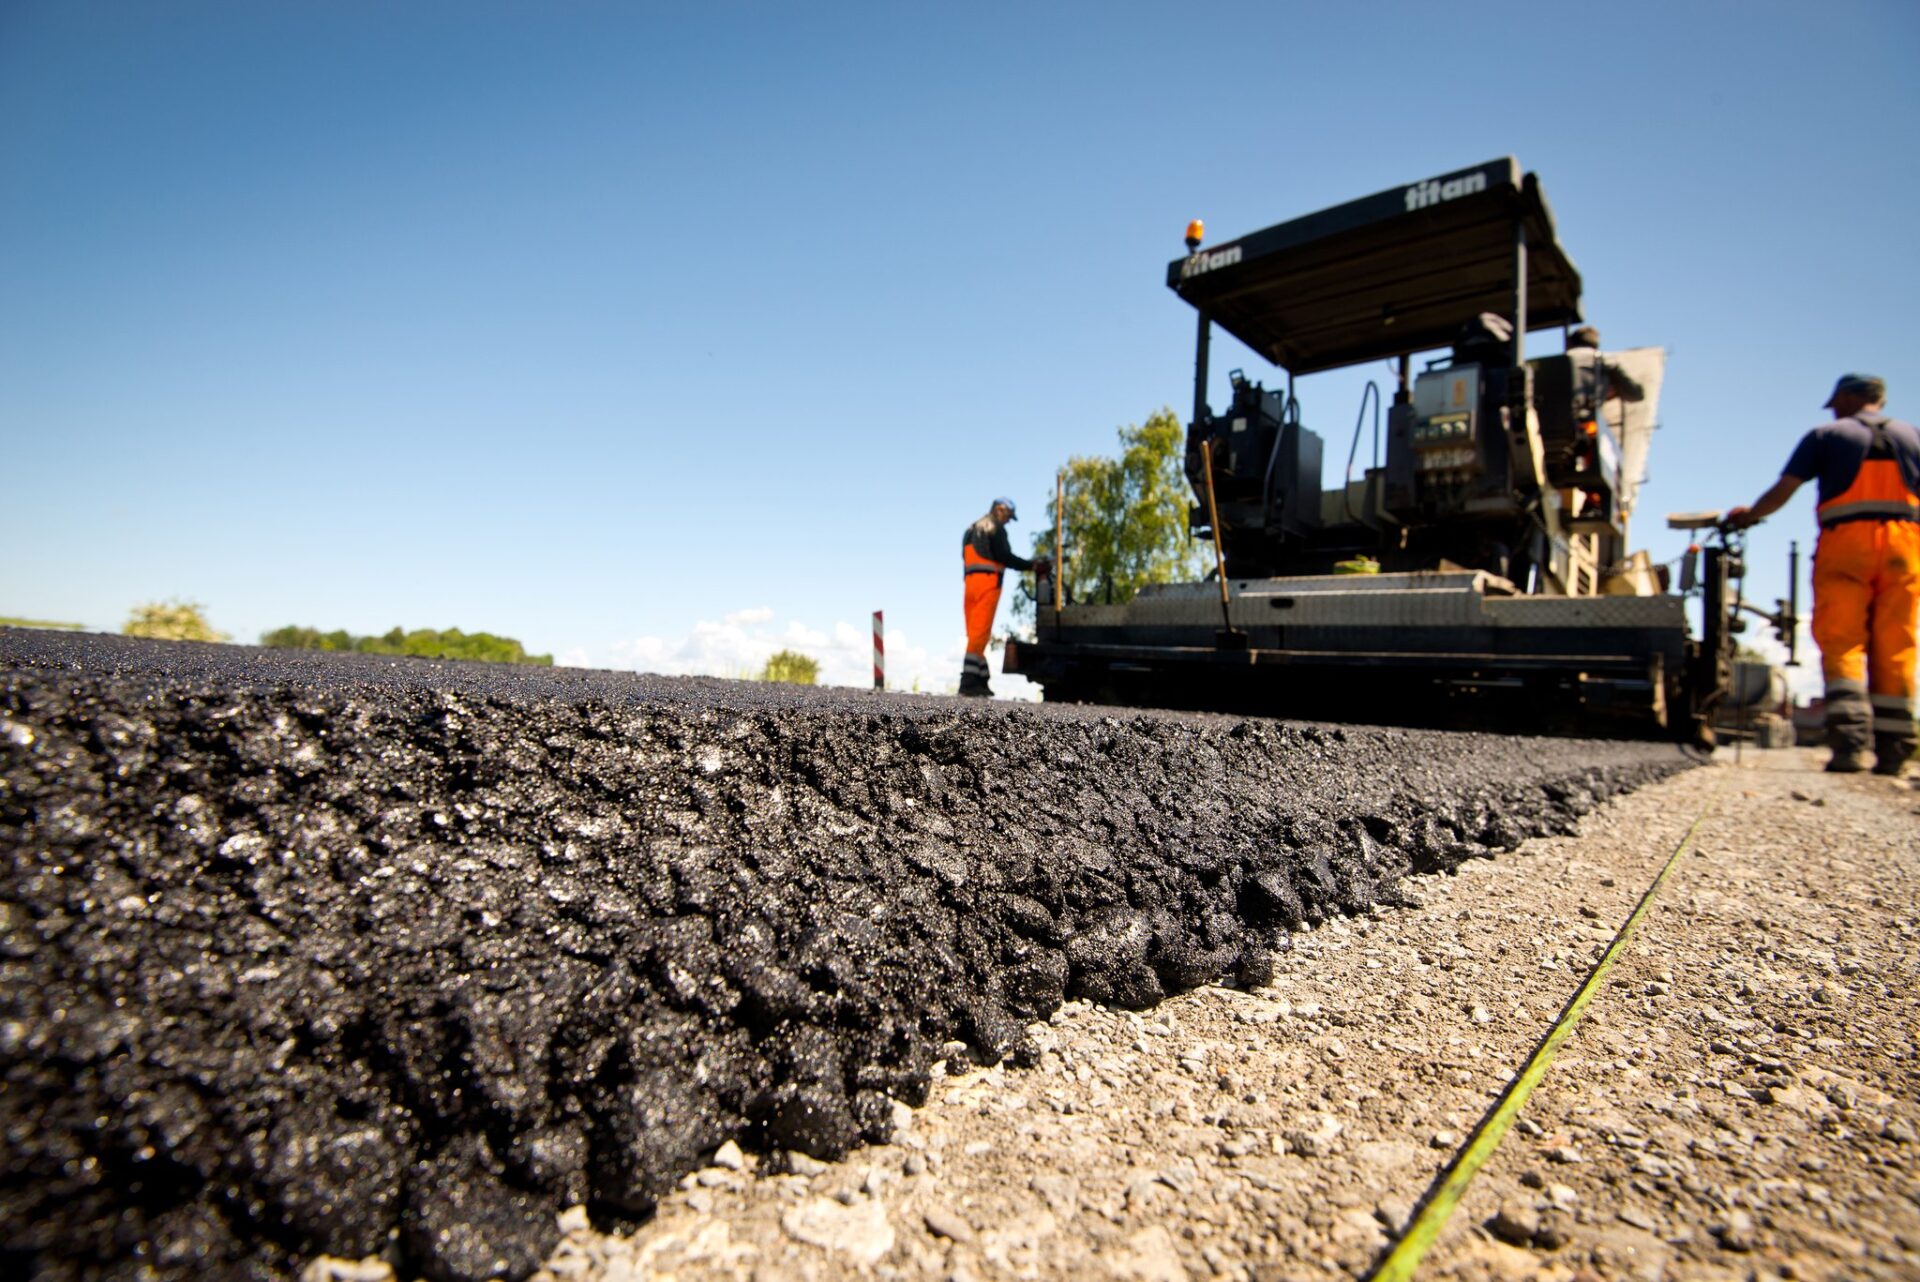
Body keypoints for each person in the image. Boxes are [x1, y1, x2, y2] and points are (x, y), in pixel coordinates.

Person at [1726, 374, 1920, 775]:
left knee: (1843, 643)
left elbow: (1784, 490)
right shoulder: (1912, 436)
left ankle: (1848, 746)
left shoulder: (1827, 435)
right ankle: (1895, 752)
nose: (1833, 408)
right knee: (1898, 645)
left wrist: (1748, 517)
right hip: (1906, 547)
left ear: (1849, 398)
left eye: (1835, 401)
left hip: (1846, 546)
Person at [959, 497, 1047, 698]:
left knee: (974, 633)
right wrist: (1032, 566)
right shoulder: (995, 528)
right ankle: (969, 681)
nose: (1008, 521)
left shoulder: (971, 529)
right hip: (988, 585)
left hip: (970, 585)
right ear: (1000, 510)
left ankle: (981, 679)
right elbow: (1005, 557)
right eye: (1008, 515)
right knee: (979, 634)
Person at [1564, 325, 1646, 407]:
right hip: (1588, 416)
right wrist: (1616, 391)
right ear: (1596, 345)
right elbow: (1636, 394)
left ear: (1571, 343)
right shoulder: (1605, 360)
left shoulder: (1560, 359)